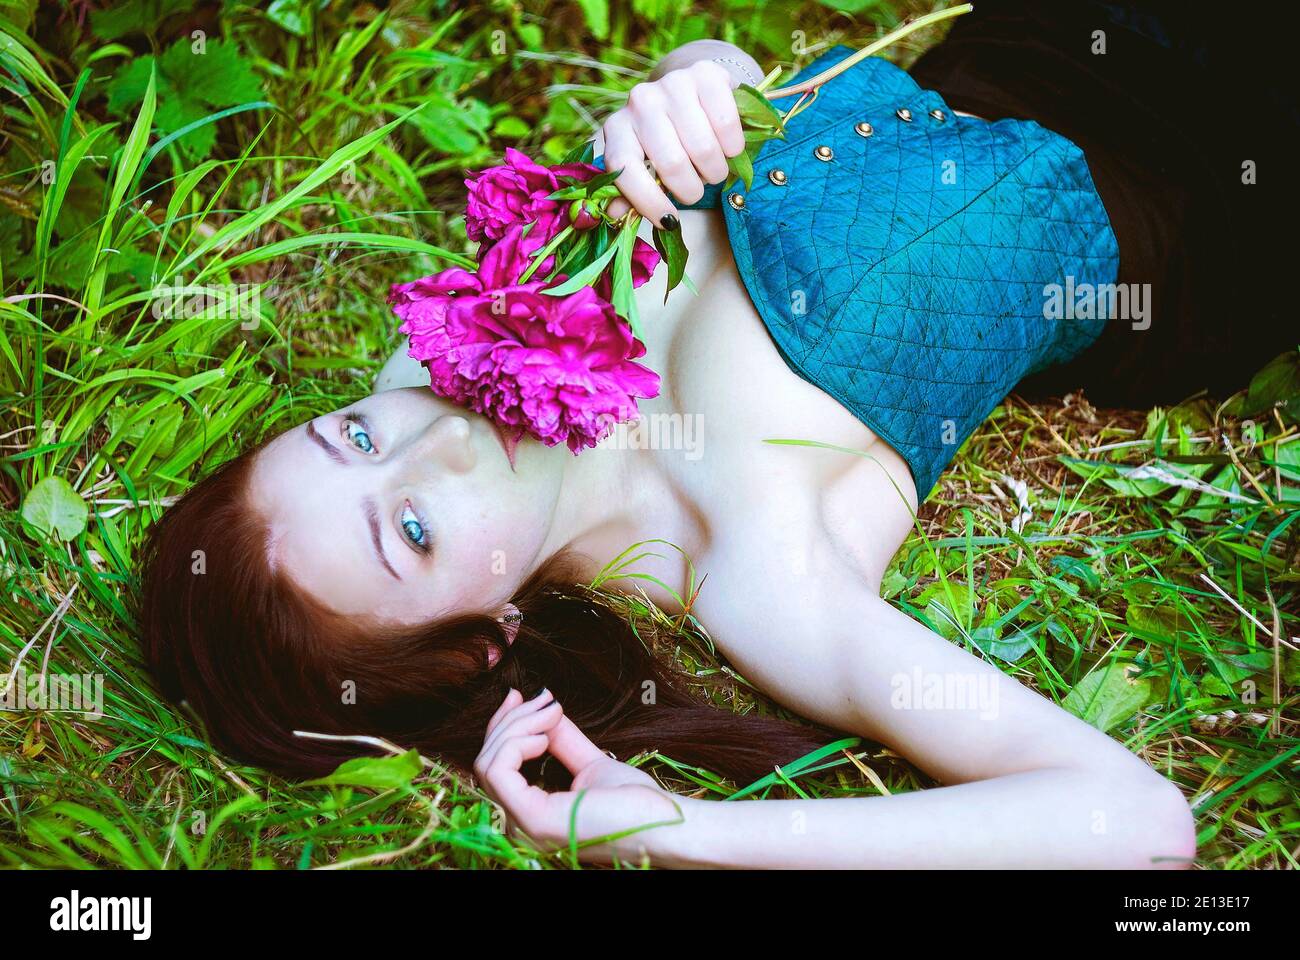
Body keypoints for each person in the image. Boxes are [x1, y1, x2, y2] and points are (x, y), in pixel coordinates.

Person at [139, 2, 1250, 868]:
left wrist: (695, 86)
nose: (433, 439)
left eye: (353, 438)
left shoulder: (457, 341)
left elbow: (738, 86)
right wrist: (677, 827)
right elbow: (1133, 824)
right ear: (483, 638)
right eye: (416, 529)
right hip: (1214, 183)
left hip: (1027, 39)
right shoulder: (752, 572)